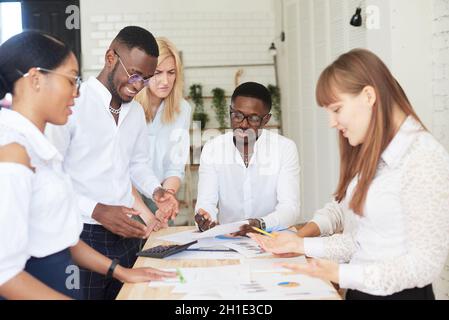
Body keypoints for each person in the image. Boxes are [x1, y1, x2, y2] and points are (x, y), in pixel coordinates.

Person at [250, 48, 449, 300]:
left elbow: (424, 266)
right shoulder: (376, 156)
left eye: (336, 109)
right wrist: (300, 245)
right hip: (360, 292)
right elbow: (362, 242)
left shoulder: (424, 157)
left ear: (368, 96)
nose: (332, 122)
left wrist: (343, 274)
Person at [0, 31, 175, 300]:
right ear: (35, 79)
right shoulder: (15, 151)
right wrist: (98, 210)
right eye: (71, 80)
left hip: (113, 239)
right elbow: (7, 273)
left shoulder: (40, 148)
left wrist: (121, 271)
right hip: (80, 246)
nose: (76, 90)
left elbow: (62, 236)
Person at [194, 82, 301, 235]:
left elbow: (290, 208)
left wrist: (260, 224)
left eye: (253, 118)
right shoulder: (212, 149)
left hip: (272, 237)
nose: (243, 124)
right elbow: (206, 202)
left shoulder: (284, 149)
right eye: (237, 116)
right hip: (227, 241)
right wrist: (205, 218)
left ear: (266, 120)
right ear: (230, 112)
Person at [133, 37, 191, 220]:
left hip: (159, 195)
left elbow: (175, 167)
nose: (165, 81)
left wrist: (167, 197)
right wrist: (145, 213)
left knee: (162, 246)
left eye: (171, 72)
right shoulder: (128, 107)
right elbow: (121, 168)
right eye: (157, 73)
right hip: (126, 197)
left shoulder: (182, 110)